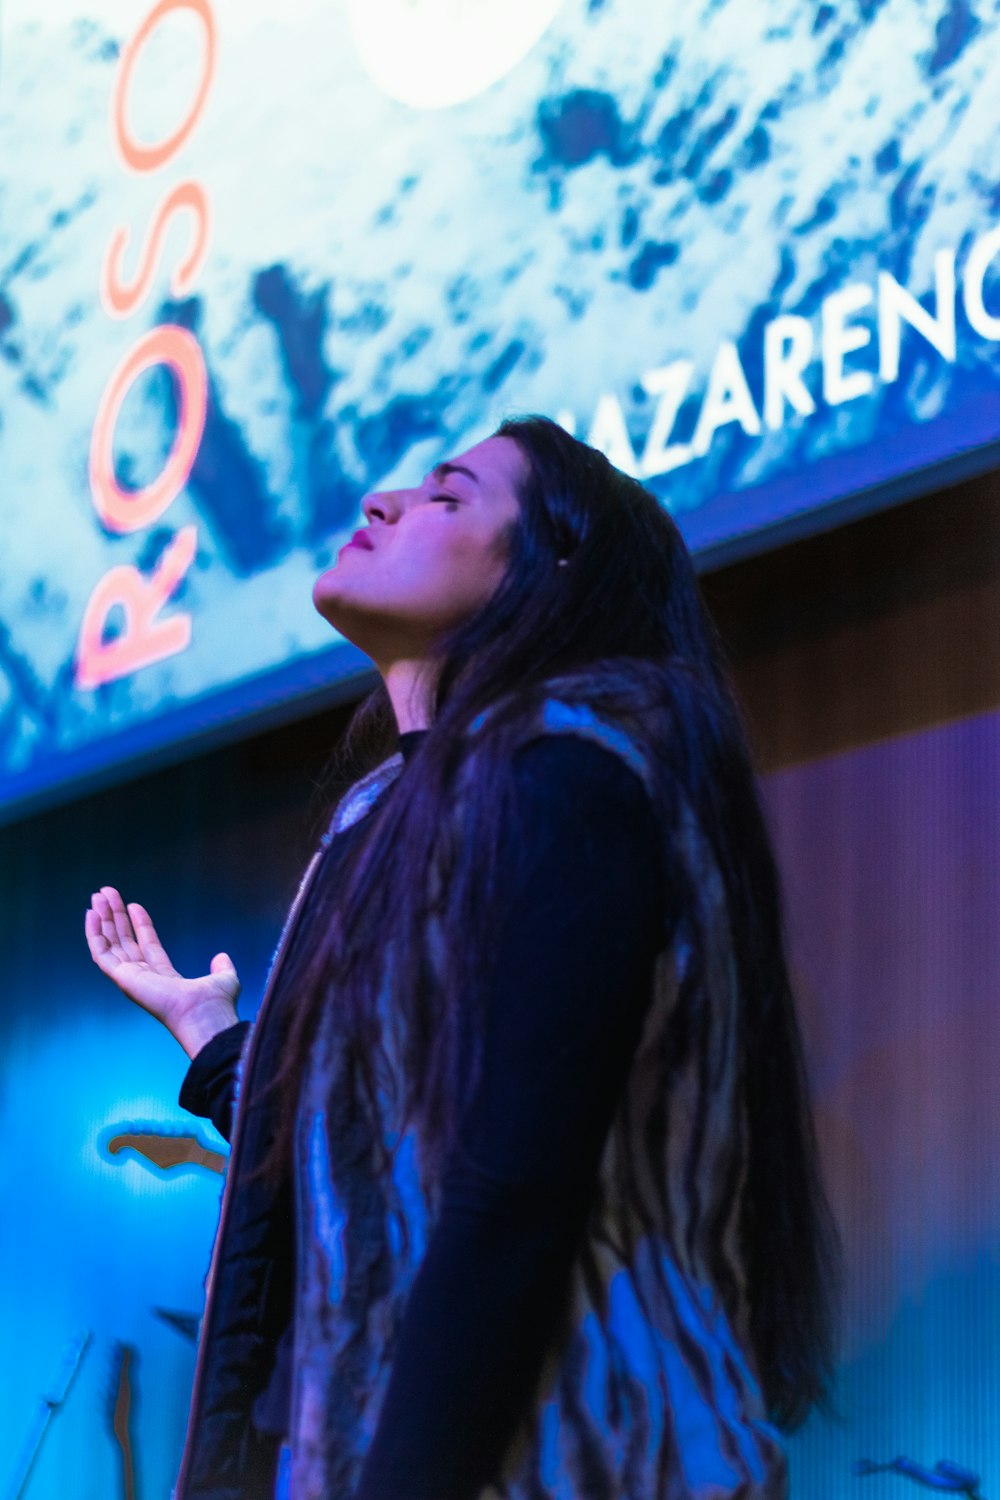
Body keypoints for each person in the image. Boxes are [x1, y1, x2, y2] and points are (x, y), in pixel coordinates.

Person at [85, 415, 839, 1500]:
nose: (383, 504)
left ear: (553, 567)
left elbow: (511, 1188)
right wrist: (213, 1044)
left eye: (448, 496)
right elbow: (391, 1142)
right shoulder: (383, 815)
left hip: (581, 1460)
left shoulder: (575, 765)